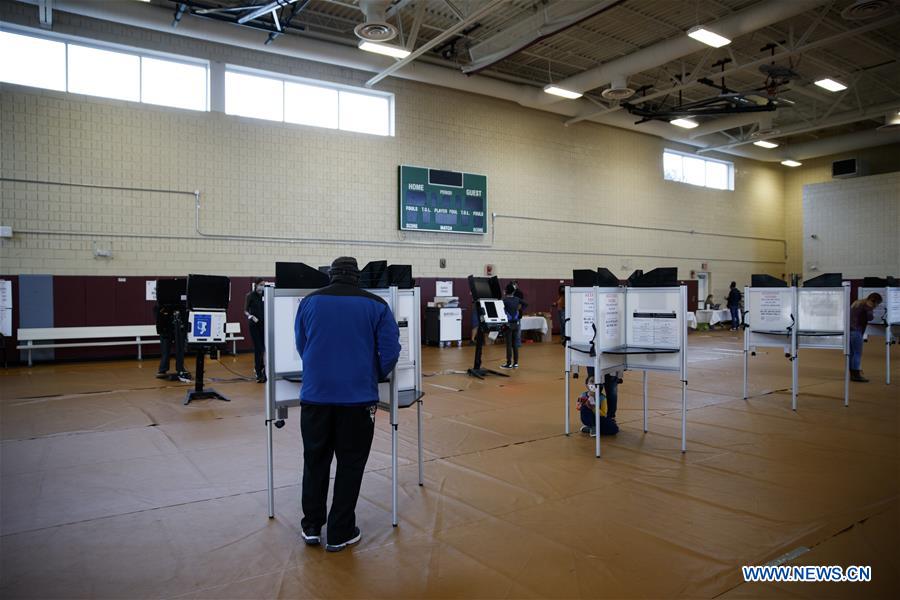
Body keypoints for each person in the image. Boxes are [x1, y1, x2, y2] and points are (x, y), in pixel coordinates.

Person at [294, 257, 400, 552]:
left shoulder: (309, 303)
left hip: (315, 395)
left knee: (315, 460)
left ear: (330, 275)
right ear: (357, 277)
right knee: (350, 464)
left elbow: (302, 343)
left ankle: (312, 527)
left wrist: (319, 369)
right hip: (358, 398)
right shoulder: (377, 305)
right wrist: (374, 373)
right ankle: (340, 532)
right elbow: (391, 349)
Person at [849, 292, 883, 382]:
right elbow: (870, 317)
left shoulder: (857, 302)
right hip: (856, 331)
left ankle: (852, 374)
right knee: (857, 353)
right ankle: (856, 375)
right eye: (877, 304)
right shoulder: (868, 306)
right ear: (874, 301)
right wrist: (872, 309)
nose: (877, 306)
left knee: (852, 353)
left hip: (850, 330)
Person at [154, 302, 191, 383]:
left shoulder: (182, 301)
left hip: (180, 324)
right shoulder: (161, 300)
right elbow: (157, 311)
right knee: (165, 349)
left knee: (180, 348)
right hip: (165, 325)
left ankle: (180, 368)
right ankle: (162, 370)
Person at [245, 278, 266, 383]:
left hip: (264, 325)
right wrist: (251, 316)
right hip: (254, 325)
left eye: (264, 285)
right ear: (256, 285)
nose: (262, 287)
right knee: (258, 348)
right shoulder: (250, 296)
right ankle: (258, 372)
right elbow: (245, 311)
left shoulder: (265, 295)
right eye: (261, 285)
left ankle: (263, 368)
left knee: (263, 348)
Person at [500, 283, 522, 369]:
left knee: (508, 344)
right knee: (515, 344)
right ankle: (515, 363)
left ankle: (508, 363)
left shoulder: (504, 300)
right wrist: (518, 311)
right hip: (516, 323)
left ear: (506, 291)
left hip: (508, 324)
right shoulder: (517, 299)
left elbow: (501, 308)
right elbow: (526, 304)